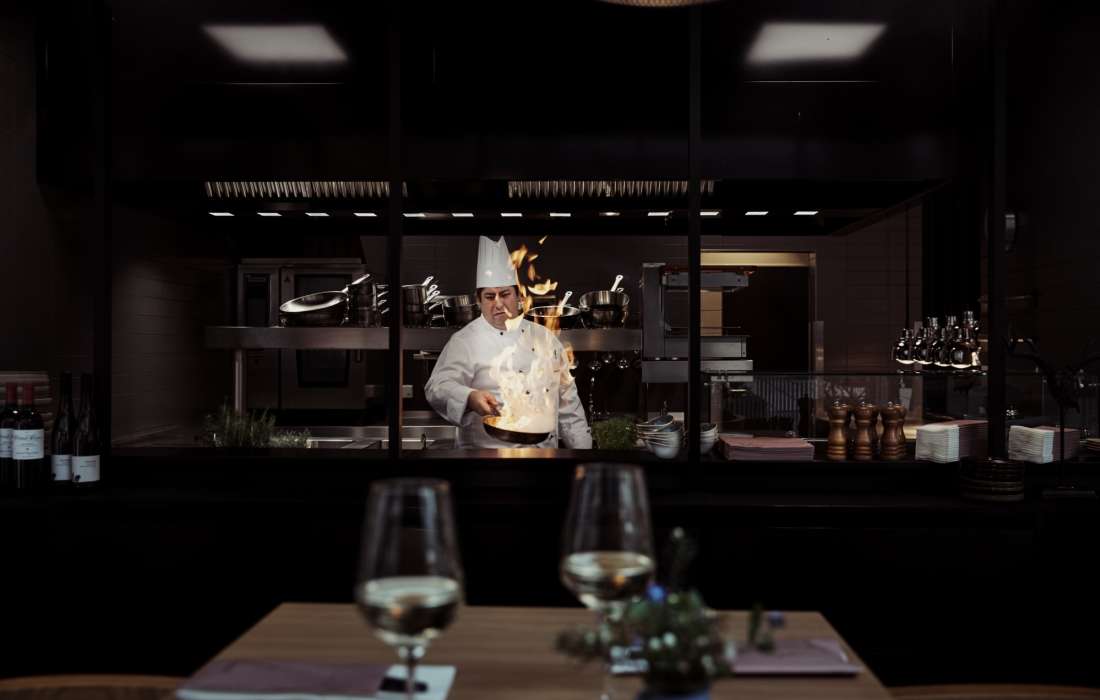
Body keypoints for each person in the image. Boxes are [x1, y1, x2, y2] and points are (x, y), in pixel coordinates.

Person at [425, 236, 592, 449]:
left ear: (519, 296)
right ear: (479, 300)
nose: (498, 304)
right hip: (486, 459)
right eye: (489, 296)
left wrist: (585, 455)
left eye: (505, 294)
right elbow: (437, 387)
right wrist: (470, 397)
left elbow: (570, 408)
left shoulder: (545, 338)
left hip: (543, 457)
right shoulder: (465, 341)